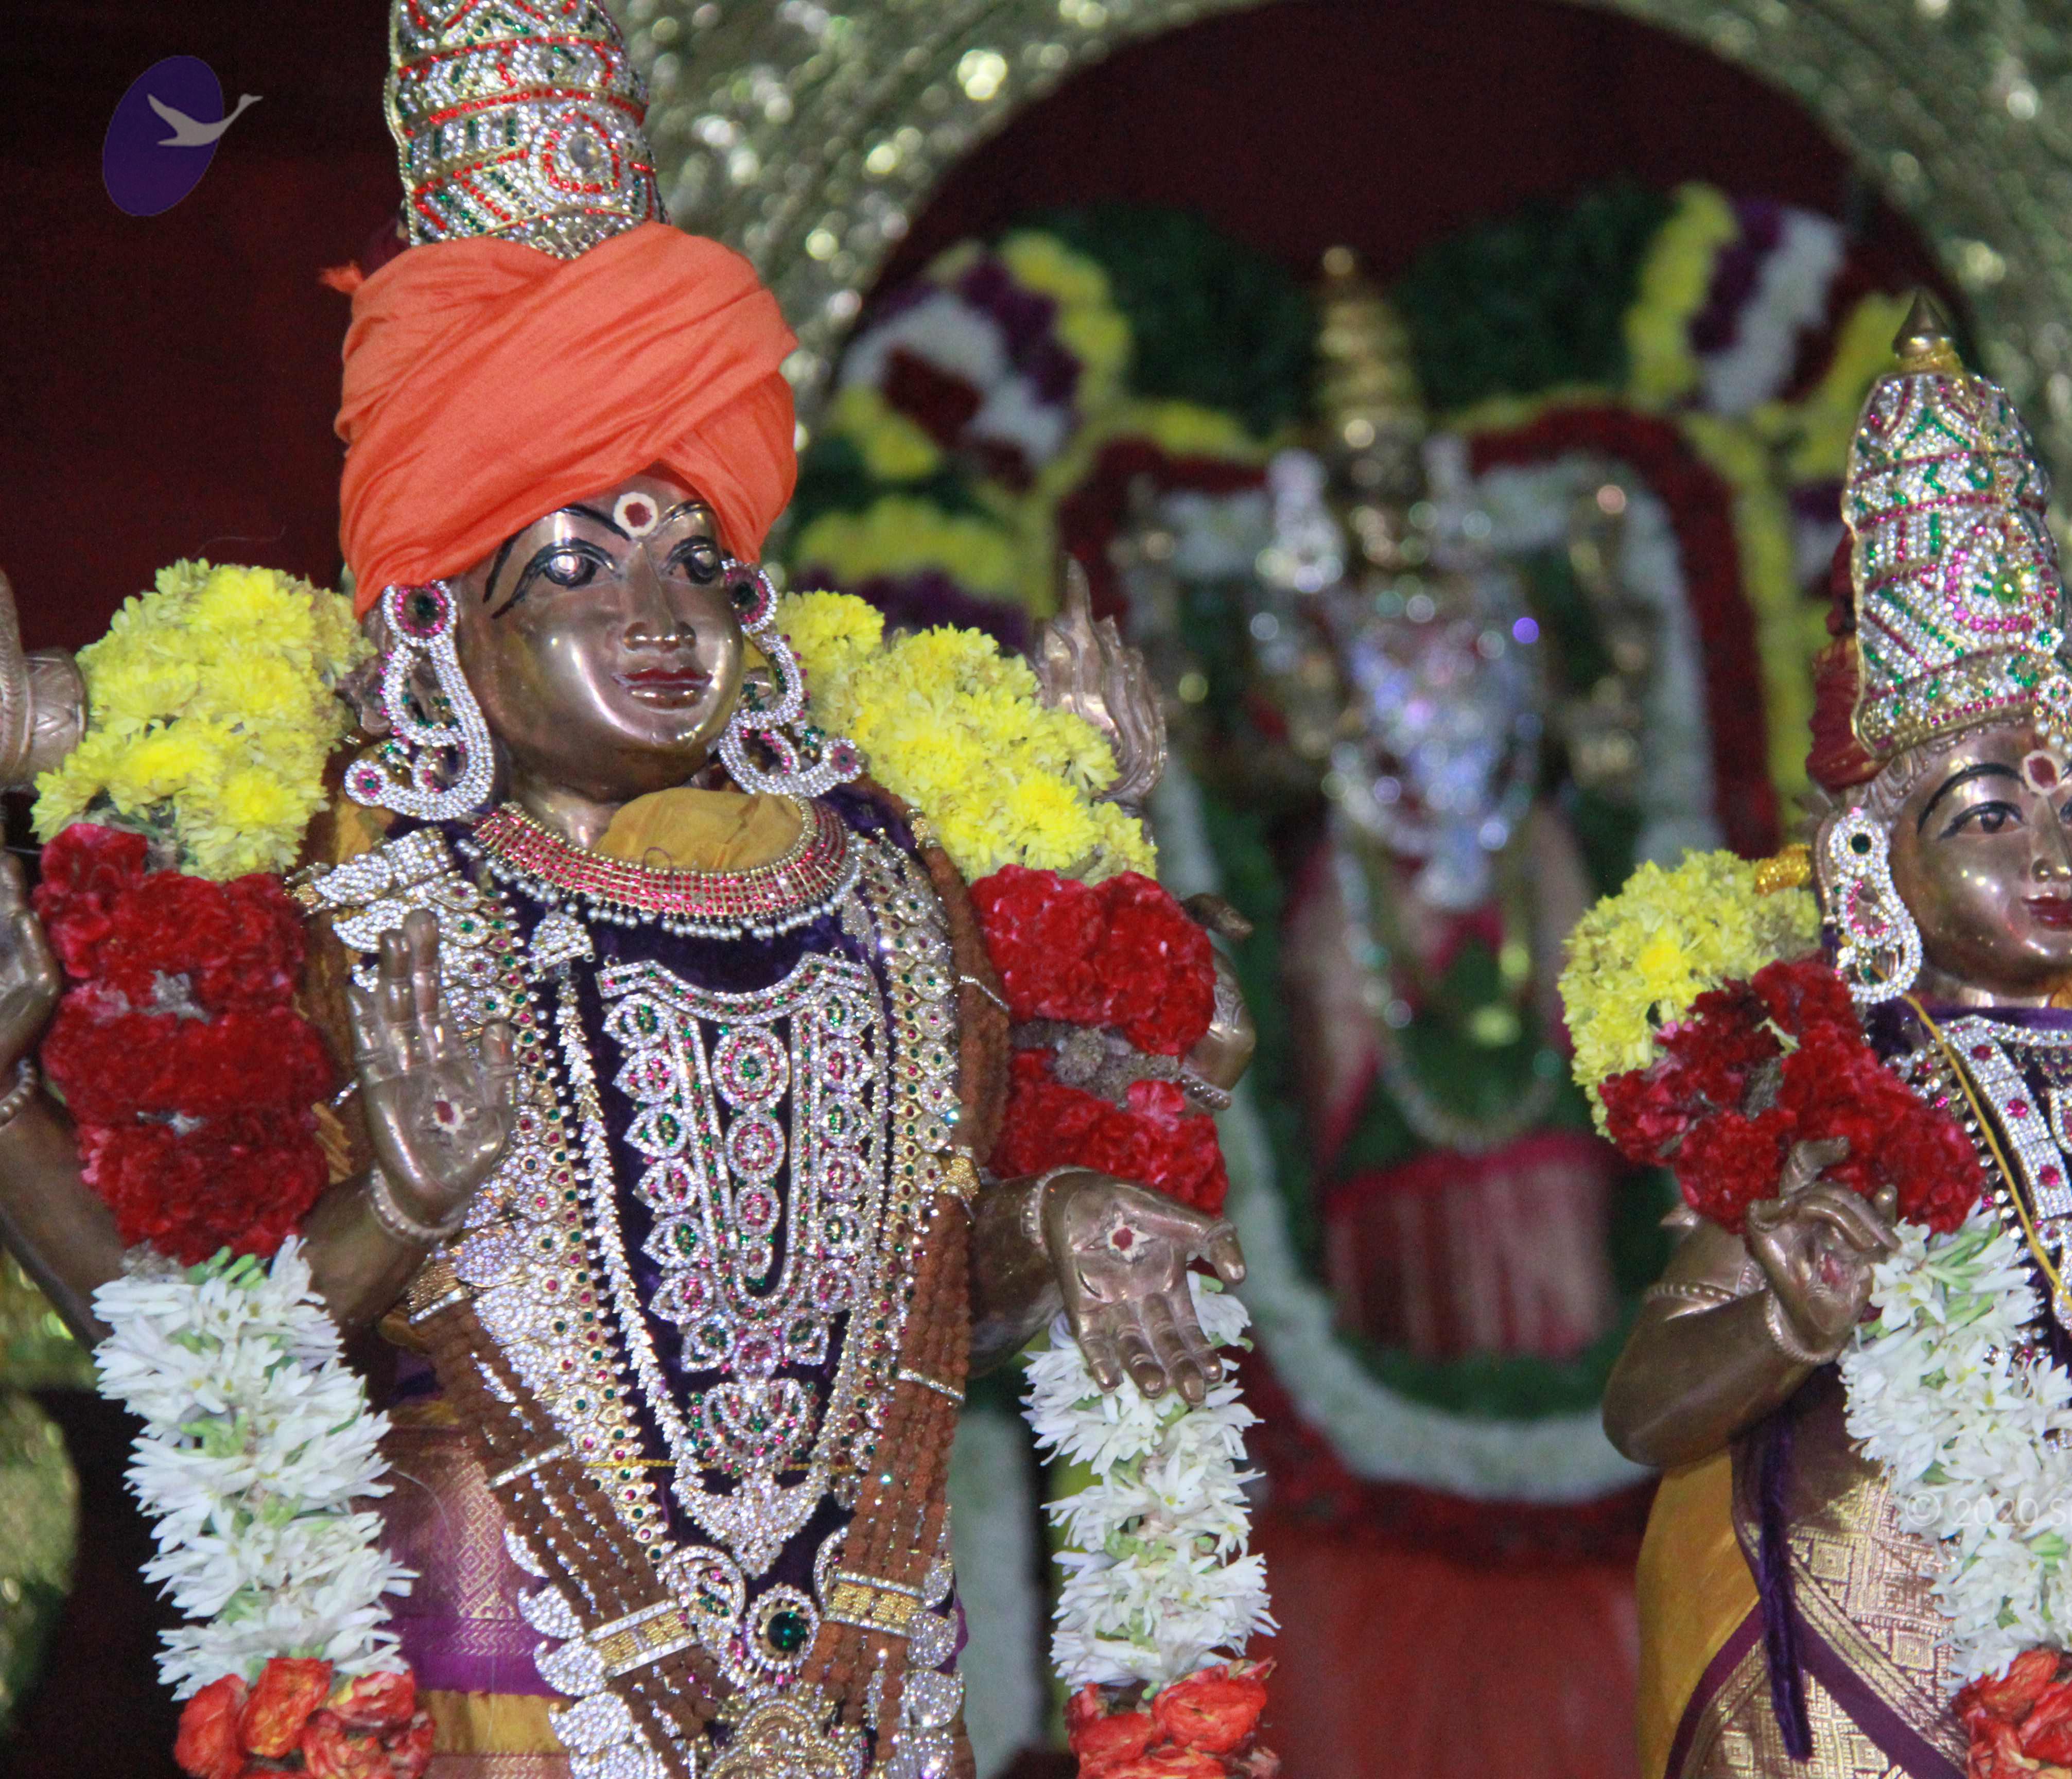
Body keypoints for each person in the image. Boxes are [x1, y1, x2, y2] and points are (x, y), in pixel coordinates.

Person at [0, 4, 1245, 1774]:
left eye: (698, 562)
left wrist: (1060, 1227)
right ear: (442, 618)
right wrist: (383, 1205)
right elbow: (193, 1344)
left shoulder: (894, 882)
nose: (658, 619)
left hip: (873, 1673)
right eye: (577, 567)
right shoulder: (343, 883)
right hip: (499, 1664)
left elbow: (924, 1293)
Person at [1597, 300, 2072, 1779]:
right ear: (1874, 858)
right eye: (1987, 819)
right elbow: (1646, 1408)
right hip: (1903, 1666)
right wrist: (1787, 1326)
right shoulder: (1844, 1076)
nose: (2054, 855)